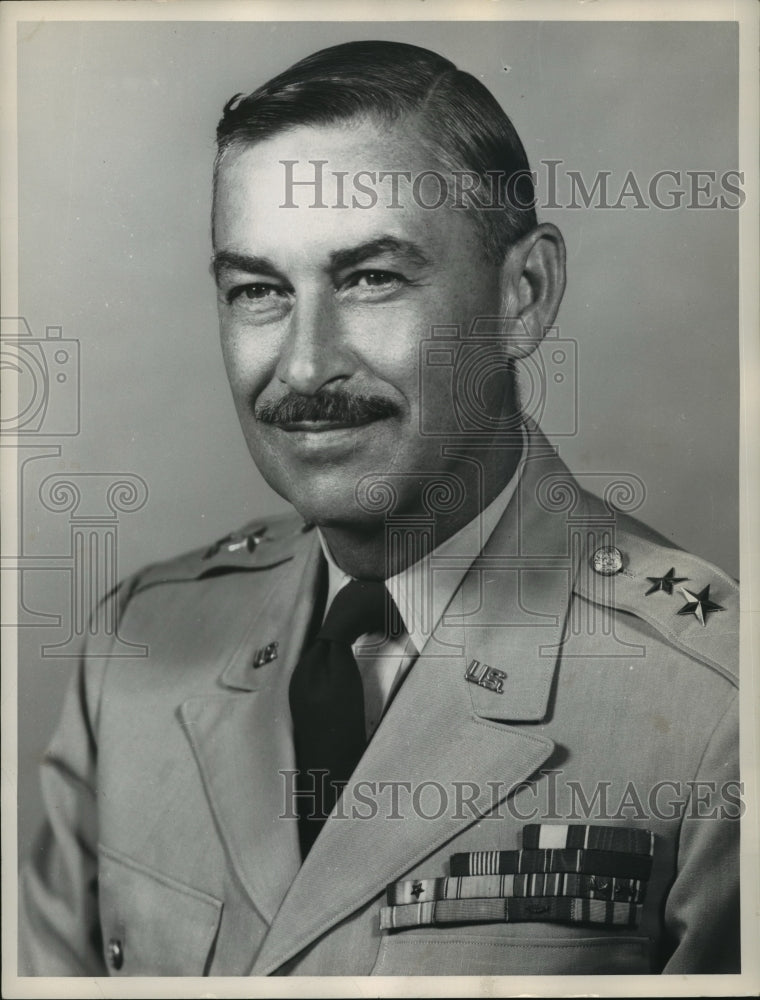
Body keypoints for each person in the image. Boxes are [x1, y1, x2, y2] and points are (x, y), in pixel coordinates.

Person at [19, 40, 740, 978]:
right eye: (259, 291)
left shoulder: (720, 706)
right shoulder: (138, 652)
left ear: (523, 297)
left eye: (371, 279)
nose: (308, 365)